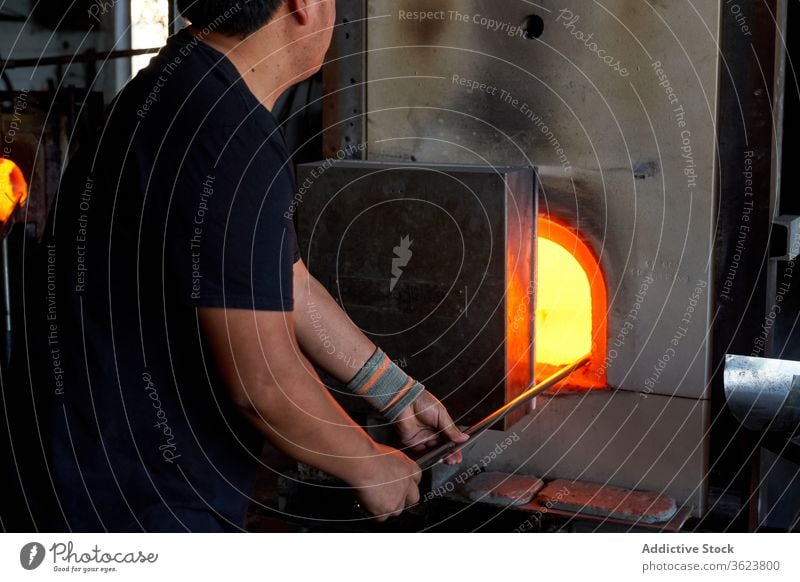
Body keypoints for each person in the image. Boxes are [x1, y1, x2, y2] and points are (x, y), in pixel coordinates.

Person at [25, 0, 467, 532]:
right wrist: (366, 462)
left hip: (92, 475)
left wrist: (394, 391)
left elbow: (286, 283)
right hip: (134, 502)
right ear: (302, 3)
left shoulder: (180, 88)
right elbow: (262, 381)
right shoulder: (224, 137)